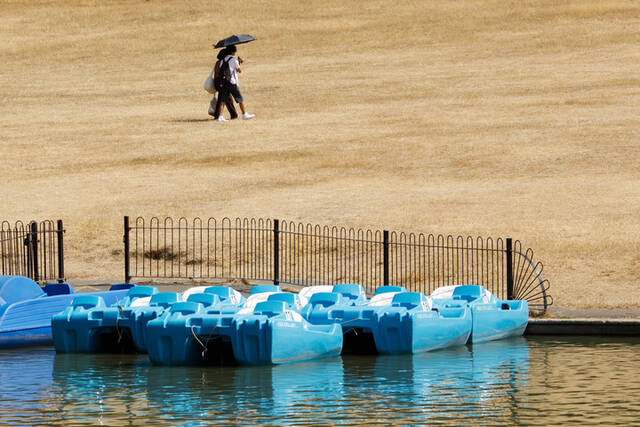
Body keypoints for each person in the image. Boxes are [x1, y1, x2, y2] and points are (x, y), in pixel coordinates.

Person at [213, 44, 254, 121]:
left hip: (224, 82)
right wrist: (240, 62)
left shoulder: (222, 60)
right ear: (233, 51)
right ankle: (244, 114)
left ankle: (220, 116)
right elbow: (239, 71)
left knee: (223, 99)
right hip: (232, 82)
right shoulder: (234, 59)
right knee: (239, 98)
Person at [209, 48, 237, 120]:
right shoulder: (222, 62)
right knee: (222, 99)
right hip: (221, 82)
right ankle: (218, 115)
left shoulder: (218, 62)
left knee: (228, 99)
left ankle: (233, 114)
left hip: (217, 82)